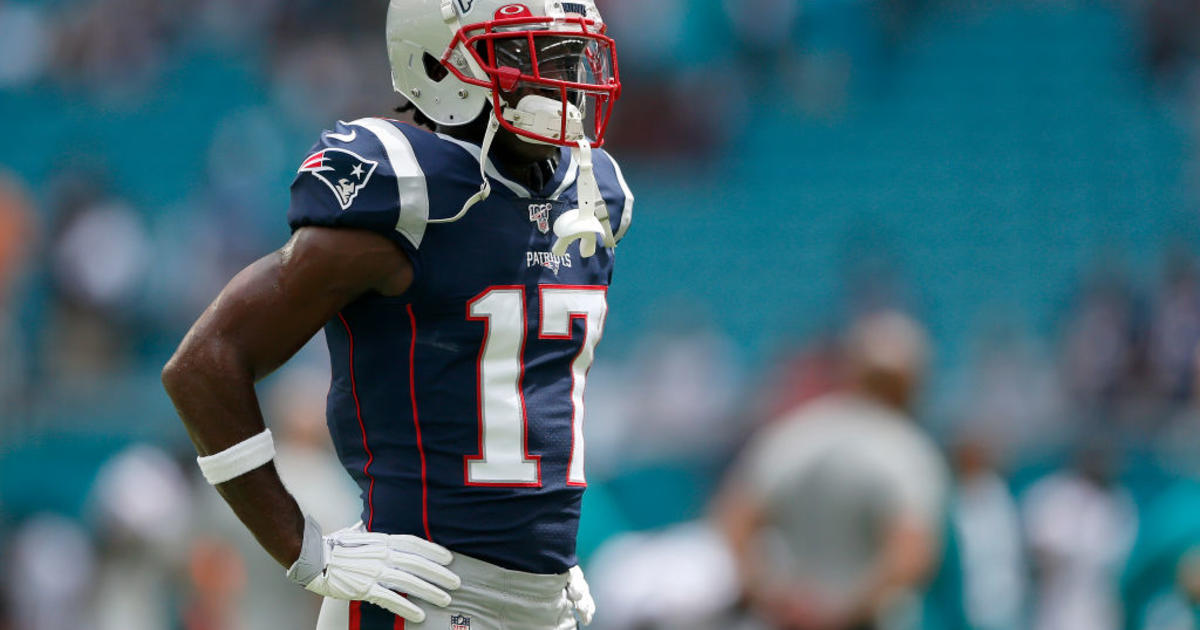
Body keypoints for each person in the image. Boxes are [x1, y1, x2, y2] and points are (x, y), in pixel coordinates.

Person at [161, 1, 631, 628]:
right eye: (525, 53)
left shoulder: (593, 190)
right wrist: (305, 549)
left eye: (567, 53)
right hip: (424, 593)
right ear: (440, 64)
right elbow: (203, 364)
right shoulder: (408, 186)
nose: (559, 77)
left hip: (541, 601)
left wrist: (537, 567)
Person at [717, 311, 949, 630]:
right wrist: (842, 612)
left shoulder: (797, 431)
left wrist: (774, 596)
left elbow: (734, 518)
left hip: (790, 620)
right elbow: (911, 554)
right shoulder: (907, 448)